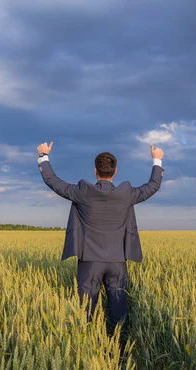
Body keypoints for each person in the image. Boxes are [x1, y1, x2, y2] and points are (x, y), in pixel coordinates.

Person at [36, 142, 164, 351]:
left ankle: (84, 351)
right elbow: (153, 186)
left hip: (89, 262)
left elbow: (53, 181)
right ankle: (119, 352)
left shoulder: (82, 191)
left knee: (85, 310)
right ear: (115, 171)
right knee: (118, 309)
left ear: (95, 171)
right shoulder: (127, 193)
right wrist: (157, 159)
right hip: (117, 262)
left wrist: (43, 156)